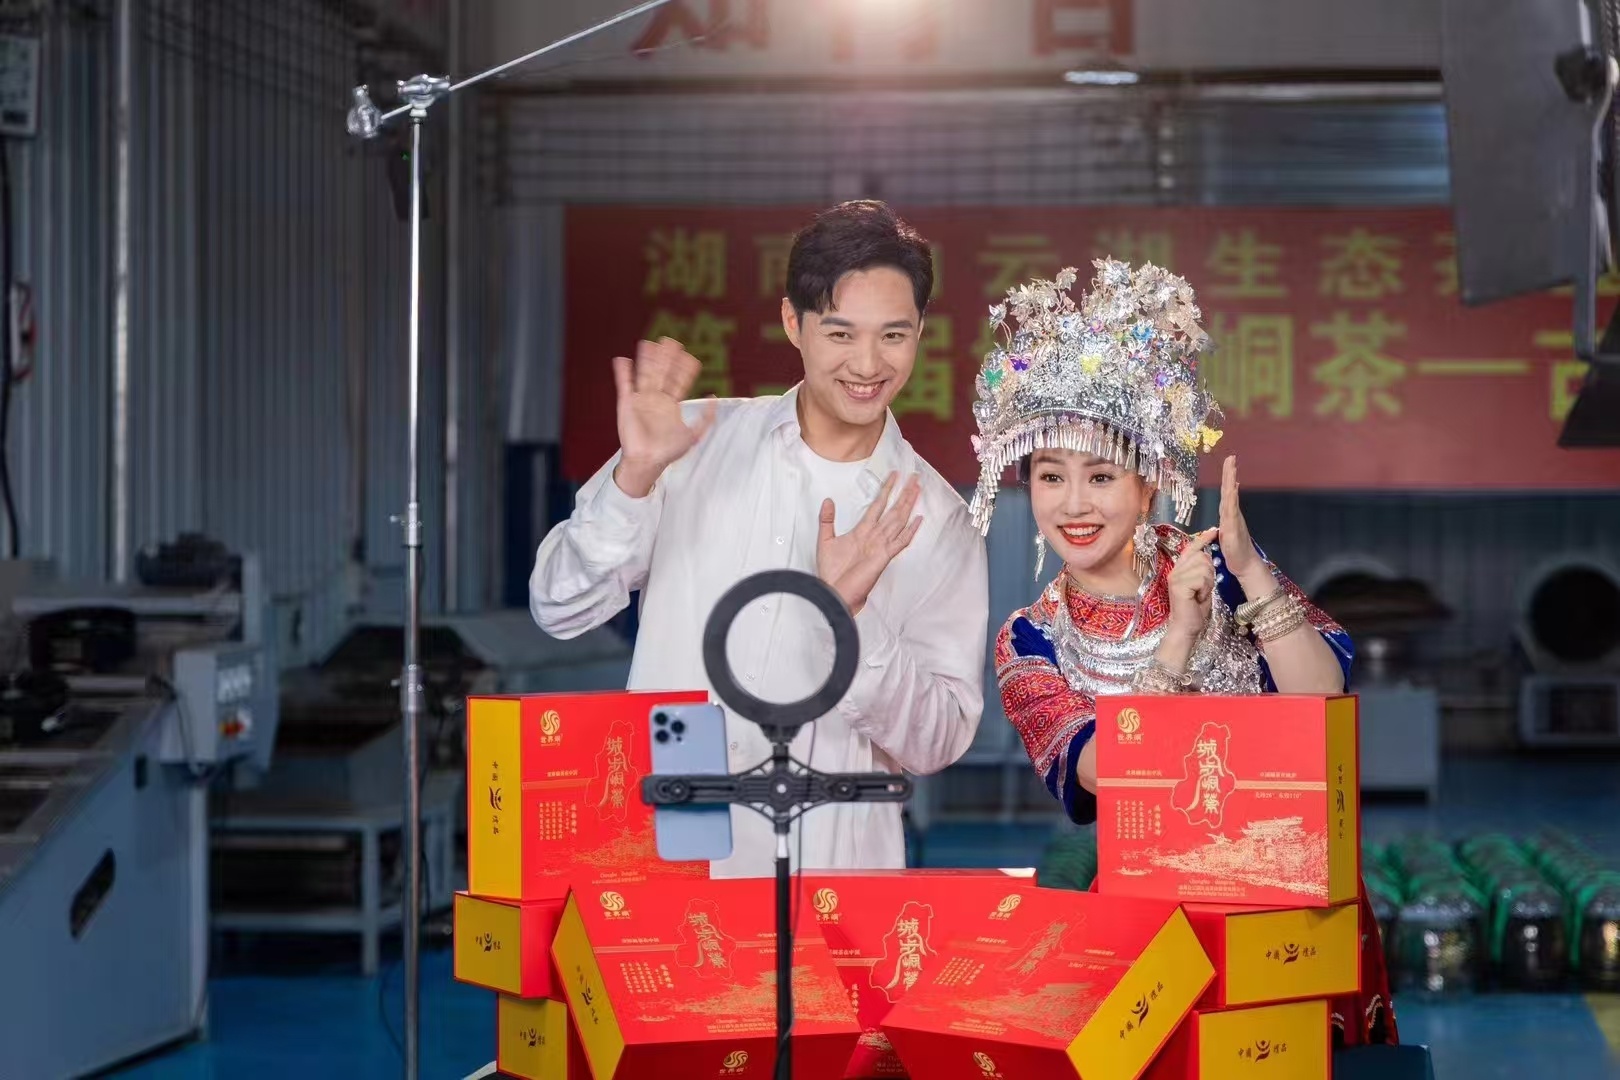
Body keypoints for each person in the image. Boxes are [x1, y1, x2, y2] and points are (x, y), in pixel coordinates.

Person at [971, 260, 1397, 1047]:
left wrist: (1252, 571)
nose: (1073, 504)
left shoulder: (1217, 565)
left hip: (1285, 898)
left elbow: (1322, 700)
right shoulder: (1029, 638)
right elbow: (1105, 772)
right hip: (1150, 916)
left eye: (1101, 476)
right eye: (1050, 477)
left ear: (1147, 485)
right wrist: (1178, 638)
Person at [531, 200, 989, 878]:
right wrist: (635, 477)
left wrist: (852, 618)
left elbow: (939, 740)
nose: (868, 363)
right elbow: (558, 608)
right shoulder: (689, 444)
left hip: (828, 865)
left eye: (893, 335)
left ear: (921, 330)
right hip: (670, 844)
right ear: (792, 323)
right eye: (840, 333)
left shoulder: (937, 519)